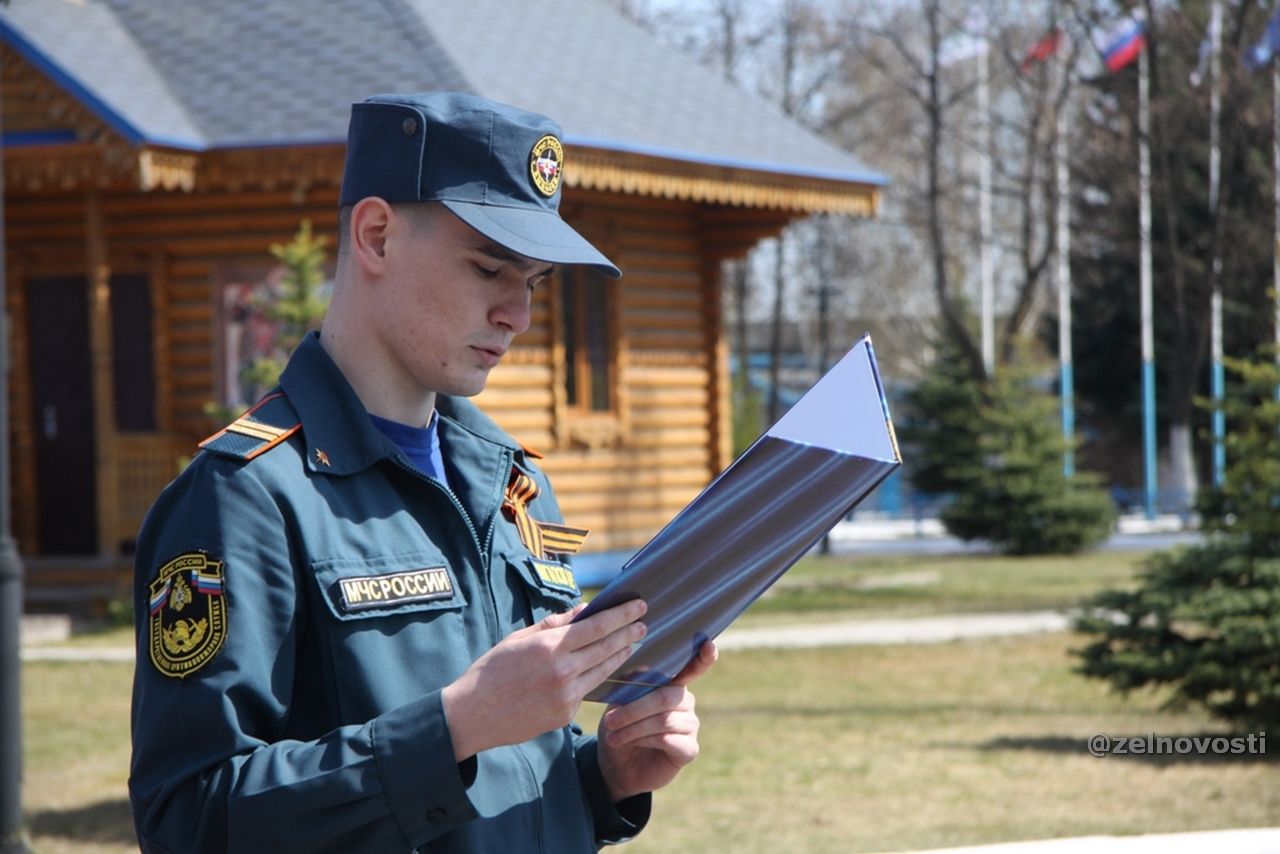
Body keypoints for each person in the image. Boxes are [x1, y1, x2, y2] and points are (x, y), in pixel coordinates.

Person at [129, 91, 718, 853]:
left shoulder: (513, 490)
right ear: (376, 235)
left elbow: (513, 771)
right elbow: (190, 822)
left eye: (534, 283)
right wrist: (455, 725)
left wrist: (604, 772)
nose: (519, 314)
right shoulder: (246, 499)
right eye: (489, 268)